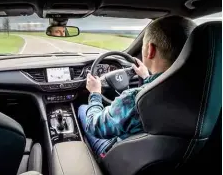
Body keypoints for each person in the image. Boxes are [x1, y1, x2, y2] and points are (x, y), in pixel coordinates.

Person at [78, 15, 197, 158]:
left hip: (122, 155)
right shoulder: (204, 90)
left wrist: (95, 93)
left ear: (150, 50)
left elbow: (94, 126)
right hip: (173, 158)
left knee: (83, 109)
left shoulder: (134, 99)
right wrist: (147, 78)